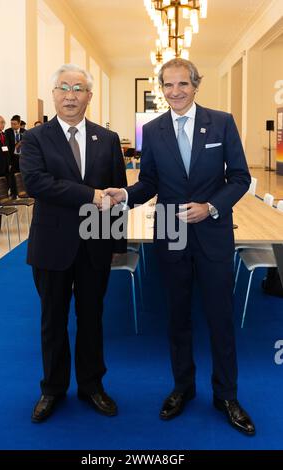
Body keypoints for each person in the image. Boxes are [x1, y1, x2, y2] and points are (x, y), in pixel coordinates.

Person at [104, 58, 255, 436]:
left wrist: (212, 206)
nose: (175, 92)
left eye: (182, 84)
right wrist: (124, 193)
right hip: (171, 228)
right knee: (177, 315)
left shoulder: (221, 122)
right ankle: (182, 388)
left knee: (220, 316)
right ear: (161, 88)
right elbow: (150, 181)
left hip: (213, 230)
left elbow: (240, 177)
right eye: (168, 85)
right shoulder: (152, 130)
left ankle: (227, 396)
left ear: (195, 85)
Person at [20, 63, 127, 423]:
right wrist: (91, 195)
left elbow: (117, 194)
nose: (70, 95)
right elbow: (36, 183)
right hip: (51, 245)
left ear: (89, 96)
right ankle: (52, 389)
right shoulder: (35, 138)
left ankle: (92, 386)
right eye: (63, 87)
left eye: (78, 88)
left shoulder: (107, 139)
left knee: (92, 318)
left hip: (95, 244)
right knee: (52, 319)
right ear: (53, 94)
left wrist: (117, 245)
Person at [5, 115, 26, 197]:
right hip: (12, 158)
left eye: (14, 124)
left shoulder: (25, 131)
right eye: (11, 124)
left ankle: (22, 192)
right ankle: (13, 193)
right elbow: (7, 147)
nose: (13, 126)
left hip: (22, 158)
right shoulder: (8, 132)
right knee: (12, 177)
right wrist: (8, 161)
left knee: (22, 176)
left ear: (19, 123)